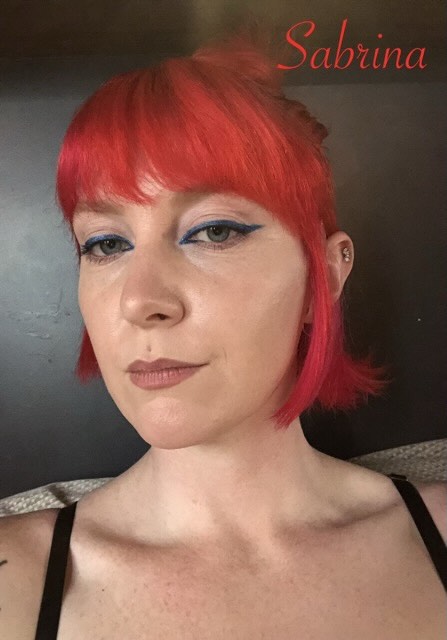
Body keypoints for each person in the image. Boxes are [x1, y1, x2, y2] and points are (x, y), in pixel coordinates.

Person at [1, 25, 446, 639]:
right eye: (105, 244)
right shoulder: (17, 577)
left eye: (214, 231)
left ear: (326, 274)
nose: (140, 301)